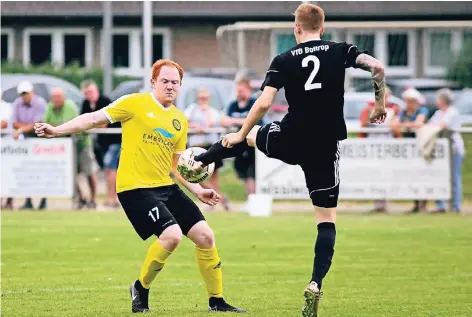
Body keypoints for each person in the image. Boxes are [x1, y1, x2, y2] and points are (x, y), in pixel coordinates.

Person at [189, 3, 387, 317]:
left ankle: (200, 160)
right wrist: (379, 104)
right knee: (326, 219)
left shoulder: (283, 59)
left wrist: (240, 132)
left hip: (291, 136)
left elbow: (265, 101)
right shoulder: (341, 50)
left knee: (251, 136)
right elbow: (377, 67)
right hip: (324, 145)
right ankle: (315, 283)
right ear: (322, 27)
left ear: (296, 28)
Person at [34, 59, 245, 314]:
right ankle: (140, 287)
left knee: (206, 236)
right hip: (135, 188)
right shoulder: (133, 103)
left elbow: (178, 166)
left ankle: (216, 301)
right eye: (165, 81)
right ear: (153, 82)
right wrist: (57, 130)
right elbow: (93, 118)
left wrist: (198, 189)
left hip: (165, 186)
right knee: (172, 236)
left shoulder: (179, 119)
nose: (170, 86)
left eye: (175, 83)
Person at [184, 88, 231, 210]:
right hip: (197, 147)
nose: (203, 100)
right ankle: (220, 198)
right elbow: (184, 122)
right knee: (195, 175)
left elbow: (218, 122)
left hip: (210, 146)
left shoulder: (213, 112)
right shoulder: (192, 110)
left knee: (214, 175)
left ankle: (213, 203)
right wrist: (195, 126)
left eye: (205, 98)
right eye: (201, 98)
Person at [4, 81, 47, 210]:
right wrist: (25, 128)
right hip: (26, 141)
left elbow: (36, 124)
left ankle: (43, 200)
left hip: (40, 140)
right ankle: (28, 201)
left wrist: (22, 128)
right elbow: (14, 123)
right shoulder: (17, 103)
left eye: (26, 93)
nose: (24, 96)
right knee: (28, 170)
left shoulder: (40, 103)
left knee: (41, 171)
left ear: (32, 92)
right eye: (22, 94)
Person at [359, 86, 400, 212]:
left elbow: (396, 128)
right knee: (374, 174)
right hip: (373, 145)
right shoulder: (368, 108)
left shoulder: (394, 110)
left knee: (386, 174)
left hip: (387, 145)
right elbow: (363, 125)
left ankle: (385, 202)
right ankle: (377, 203)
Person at [391, 88, 429, 213]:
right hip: (409, 149)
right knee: (413, 176)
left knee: (422, 176)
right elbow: (394, 125)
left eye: (411, 101)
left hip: (421, 147)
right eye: (407, 101)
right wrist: (408, 125)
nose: (409, 104)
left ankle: (423, 204)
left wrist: (405, 125)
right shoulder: (403, 112)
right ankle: (416, 204)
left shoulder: (422, 111)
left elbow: (419, 124)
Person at [225, 79, 261, 210]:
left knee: (252, 171)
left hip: (252, 143)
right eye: (238, 91)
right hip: (238, 143)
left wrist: (235, 121)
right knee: (242, 171)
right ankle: (250, 198)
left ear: (248, 90)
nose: (239, 93)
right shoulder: (233, 105)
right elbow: (225, 120)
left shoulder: (254, 104)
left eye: (242, 90)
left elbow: (256, 121)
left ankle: (253, 199)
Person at [428, 88, 465, 213]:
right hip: (441, 150)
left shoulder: (452, 112)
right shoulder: (438, 113)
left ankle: (455, 205)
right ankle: (441, 205)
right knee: (439, 175)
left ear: (443, 100)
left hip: (453, 148)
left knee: (454, 176)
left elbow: (442, 125)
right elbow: (430, 125)